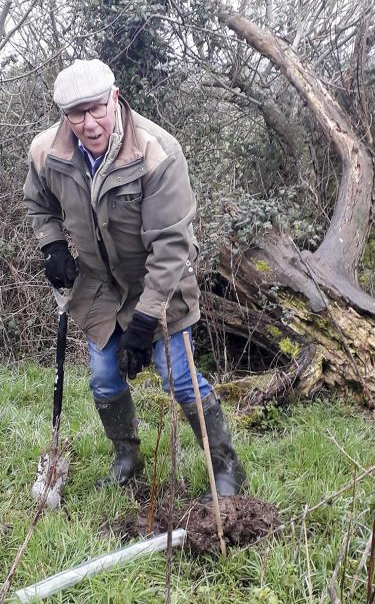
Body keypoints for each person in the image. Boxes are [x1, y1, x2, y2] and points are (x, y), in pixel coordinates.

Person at [23, 59, 245, 497]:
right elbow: (38, 203)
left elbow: (172, 246)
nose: (88, 124)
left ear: (115, 97)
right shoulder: (47, 151)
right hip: (100, 287)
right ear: (62, 114)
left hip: (160, 283)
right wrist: (52, 245)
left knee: (179, 380)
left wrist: (145, 322)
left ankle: (226, 468)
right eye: (75, 114)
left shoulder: (157, 151)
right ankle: (127, 458)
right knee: (105, 379)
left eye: (96, 110)